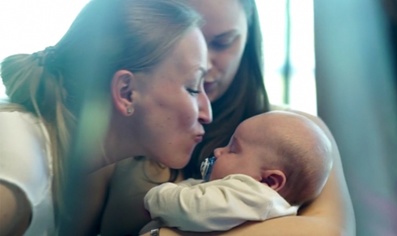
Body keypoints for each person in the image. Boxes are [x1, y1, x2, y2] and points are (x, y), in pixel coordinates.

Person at [101, 0, 355, 235]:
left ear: (248, 36)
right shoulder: (121, 125)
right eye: (189, 41)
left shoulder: (300, 135)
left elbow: (329, 232)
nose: (205, 63)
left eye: (222, 43)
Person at [0, 0, 212, 235]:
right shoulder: (20, 174)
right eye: (193, 88)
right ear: (126, 93)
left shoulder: (51, 165)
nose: (207, 114)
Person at [142, 111, 333, 232]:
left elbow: (191, 208)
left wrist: (157, 196)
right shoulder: (250, 199)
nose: (218, 151)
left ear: (269, 181)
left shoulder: (256, 196)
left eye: (233, 149)